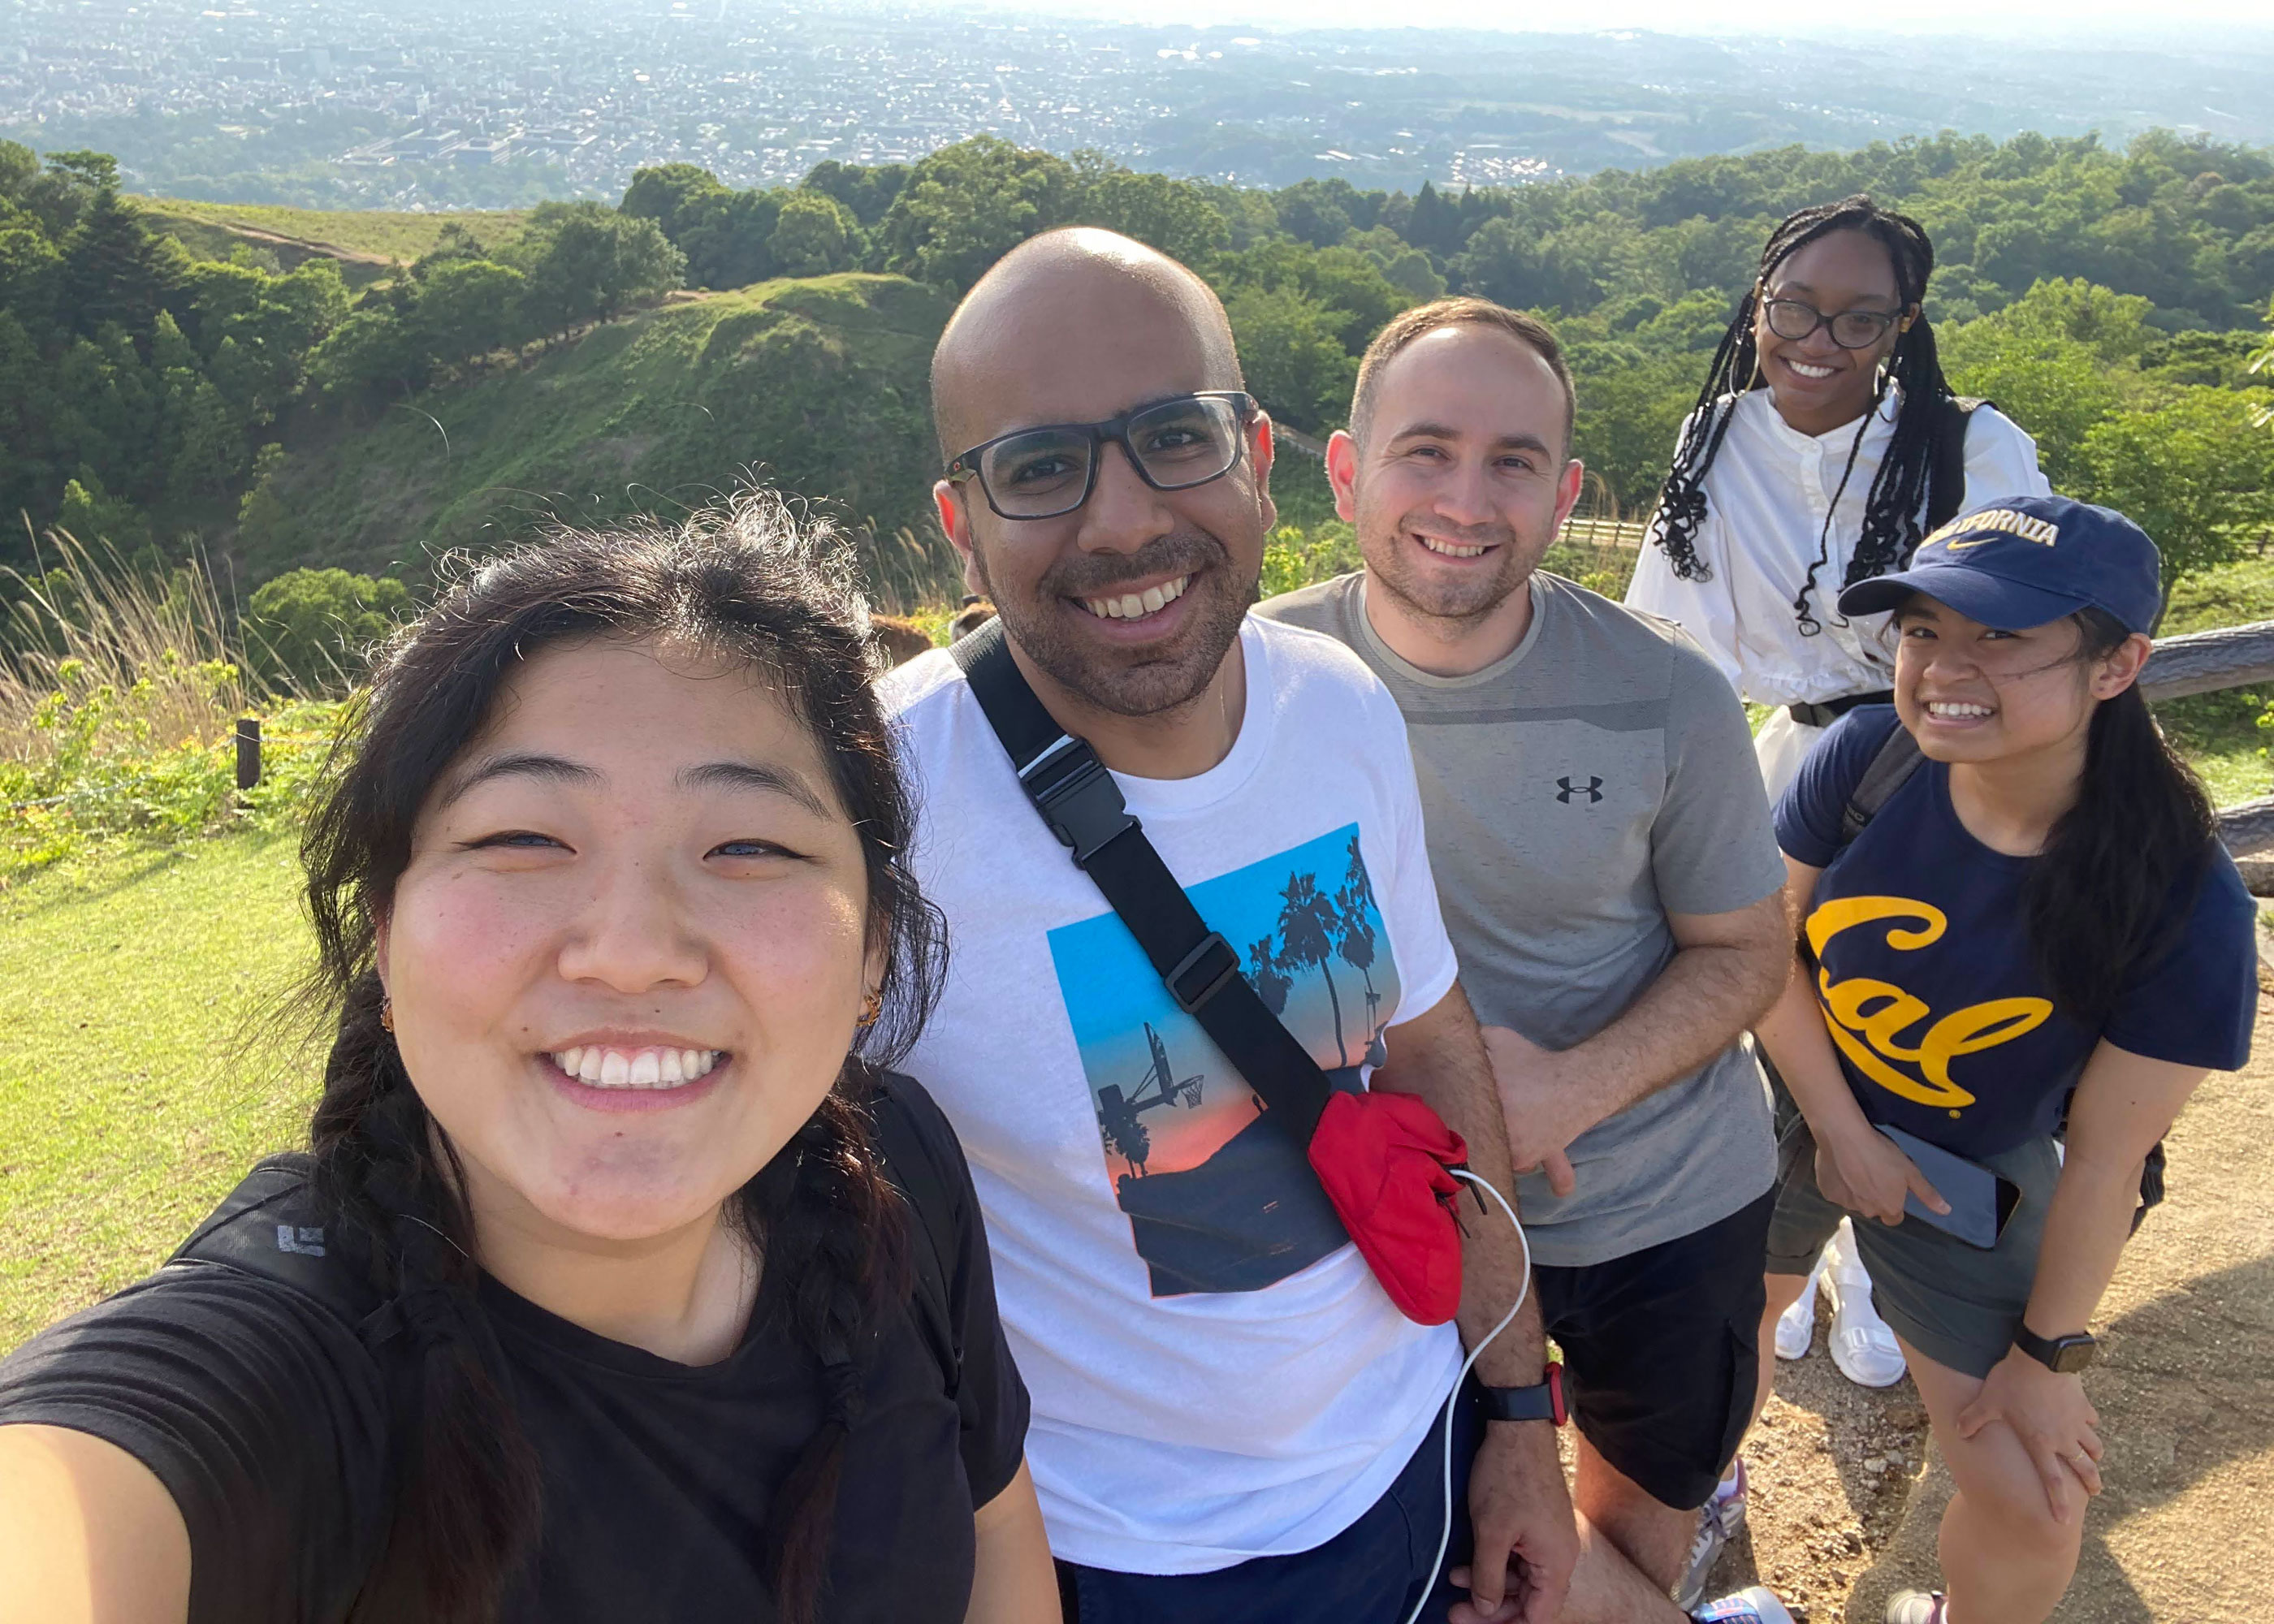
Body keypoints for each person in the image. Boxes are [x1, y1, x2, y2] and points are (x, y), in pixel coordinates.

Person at [0, 496, 1057, 1624]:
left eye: (749, 845)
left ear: (873, 951)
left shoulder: (890, 1164)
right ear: (385, 933)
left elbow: (994, 1532)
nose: (633, 954)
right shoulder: (285, 1371)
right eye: (521, 839)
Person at [881, 230, 1578, 1624]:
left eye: (1173, 437)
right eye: (1038, 467)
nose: (1124, 520)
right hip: (1110, 1551)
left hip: (1410, 1451)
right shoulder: (881, 805)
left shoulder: (1339, 709)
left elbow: (1434, 1047)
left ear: (1255, 453)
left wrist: (1517, 1412)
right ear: (962, 521)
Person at [1260, 297, 1797, 1624]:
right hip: (1382, 1220)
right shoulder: (1254, 682)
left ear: (1563, 496)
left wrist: (1562, 1090)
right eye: (1425, 450)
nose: (1465, 497)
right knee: (1450, 1562)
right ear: (1343, 473)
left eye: (1512, 462)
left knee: (1616, 1554)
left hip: (1658, 1205)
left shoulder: (1663, 691)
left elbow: (1746, 953)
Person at [1755, 495, 2258, 1624]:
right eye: (1925, 630)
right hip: (1795, 1081)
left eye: (2001, 638)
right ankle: (1710, 1497)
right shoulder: (1870, 757)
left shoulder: (2179, 900)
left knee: (2032, 1495)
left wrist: (2049, 1356)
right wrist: (1843, 1136)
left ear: (2118, 665)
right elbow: (1764, 955)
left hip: (1975, 1163)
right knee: (1720, 1329)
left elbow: (2108, 1160)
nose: (1943, 667)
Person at [1625, 195, 2055, 1391]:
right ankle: (1803, 1249)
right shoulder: (1717, 435)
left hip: (1941, 769)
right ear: (1759, 304)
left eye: (1859, 319)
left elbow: (2014, 617)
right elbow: (1674, 630)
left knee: (1908, 1011)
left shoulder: (1970, 447)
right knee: (1775, 1009)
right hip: (1778, 760)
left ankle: (1881, 1265)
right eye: (1795, 308)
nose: (1819, 339)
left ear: (1903, 324)